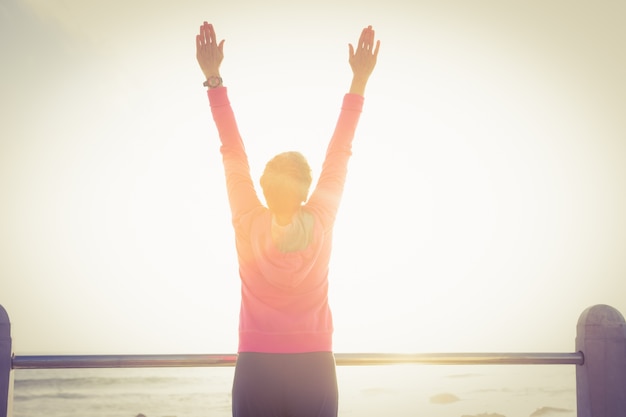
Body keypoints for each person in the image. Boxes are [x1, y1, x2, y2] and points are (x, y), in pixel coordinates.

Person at [195, 21, 379, 417]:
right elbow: (340, 151)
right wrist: (359, 80)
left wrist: (214, 79)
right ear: (305, 189)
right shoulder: (322, 216)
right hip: (314, 362)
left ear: (263, 186)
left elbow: (232, 150)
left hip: (256, 363)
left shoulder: (247, 218)